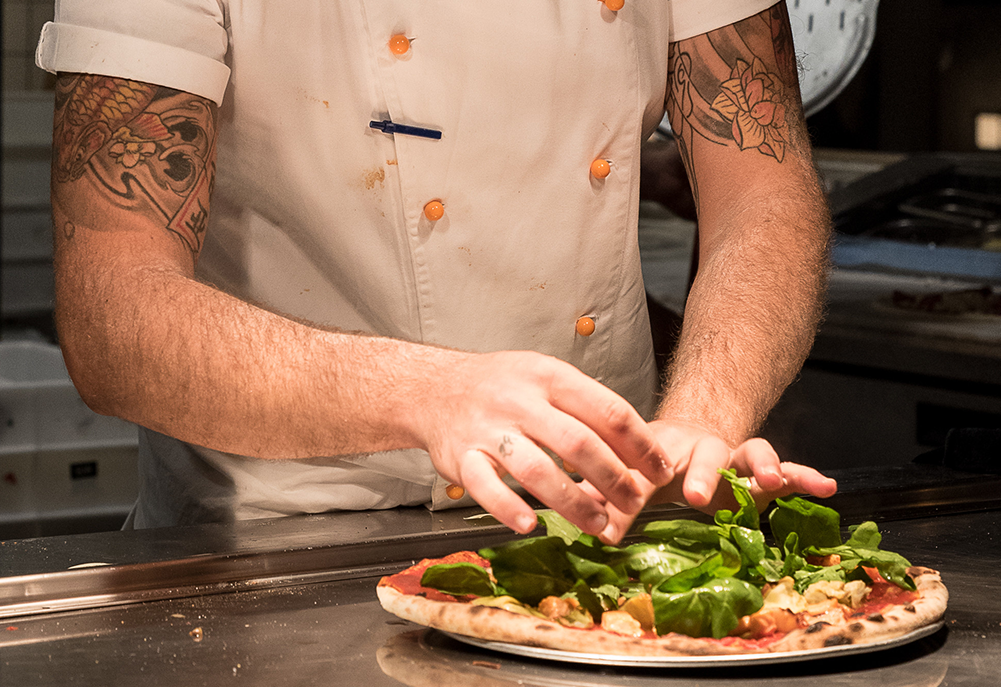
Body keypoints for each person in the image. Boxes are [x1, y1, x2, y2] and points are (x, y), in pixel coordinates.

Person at [36, 0, 836, 544]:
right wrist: (429, 394)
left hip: (598, 518)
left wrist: (699, 426)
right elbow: (114, 309)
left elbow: (762, 191)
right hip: (276, 536)